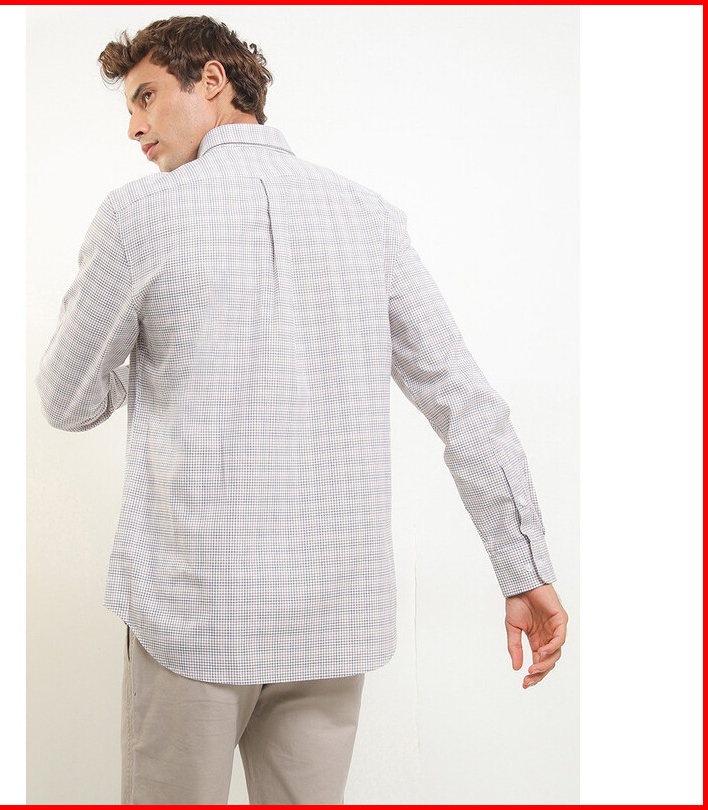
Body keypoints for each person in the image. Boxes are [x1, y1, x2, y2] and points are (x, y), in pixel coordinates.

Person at [35, 14, 569, 806]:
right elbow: (464, 400)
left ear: (211, 80)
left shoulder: (138, 216)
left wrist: (135, 372)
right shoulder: (369, 217)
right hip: (331, 620)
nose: (134, 127)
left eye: (146, 96)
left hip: (193, 615)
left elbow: (66, 398)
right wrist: (522, 570)